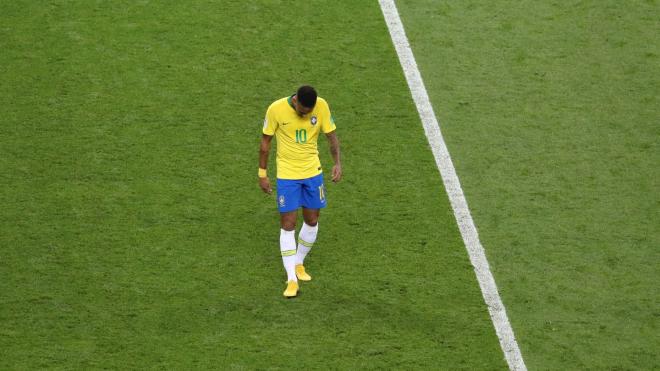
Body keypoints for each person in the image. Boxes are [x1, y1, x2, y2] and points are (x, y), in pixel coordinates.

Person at [258, 85, 342, 298]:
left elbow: (331, 136)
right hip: (287, 175)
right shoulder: (276, 109)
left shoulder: (321, 106)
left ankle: (299, 263)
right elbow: (265, 143)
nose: (306, 115)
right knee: (287, 224)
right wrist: (262, 173)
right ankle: (291, 280)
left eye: (309, 112)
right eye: (302, 111)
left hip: (313, 173)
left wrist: (337, 163)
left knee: (312, 220)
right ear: (295, 101)